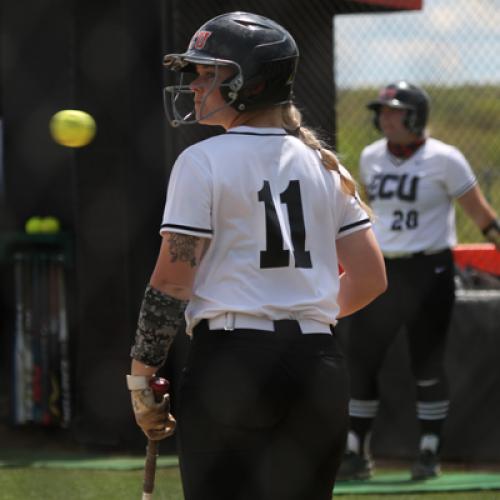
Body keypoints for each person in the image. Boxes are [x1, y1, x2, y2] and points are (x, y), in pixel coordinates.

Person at [125, 11, 387, 500]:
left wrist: (142, 376)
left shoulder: (201, 160)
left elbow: (172, 282)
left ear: (250, 81)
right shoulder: (325, 164)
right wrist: (305, 313)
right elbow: (370, 277)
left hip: (233, 360)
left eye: (209, 72)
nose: (196, 84)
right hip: (318, 363)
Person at [338, 81, 500, 482]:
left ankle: (429, 450)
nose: (386, 118)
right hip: (383, 271)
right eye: (383, 111)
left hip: (430, 271)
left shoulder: (445, 158)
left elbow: (483, 218)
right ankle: (357, 451)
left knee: (426, 363)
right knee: (362, 360)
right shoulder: (372, 157)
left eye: (396, 111)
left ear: (417, 115)